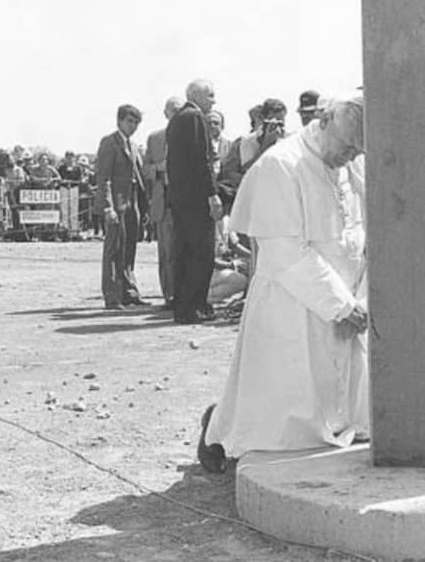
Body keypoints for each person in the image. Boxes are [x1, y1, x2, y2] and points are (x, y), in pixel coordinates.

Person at [198, 93, 369, 472]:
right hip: (294, 299)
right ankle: (217, 430)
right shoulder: (280, 165)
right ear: (324, 122)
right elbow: (284, 251)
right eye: (347, 147)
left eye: (358, 150)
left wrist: (358, 299)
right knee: (281, 416)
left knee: (335, 405)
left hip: (346, 297)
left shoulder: (350, 163)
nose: (351, 156)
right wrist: (340, 305)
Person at [167, 79, 223, 324]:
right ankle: (194, 306)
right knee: (202, 253)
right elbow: (201, 160)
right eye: (210, 95)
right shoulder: (195, 117)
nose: (213, 101)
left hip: (180, 198)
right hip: (196, 199)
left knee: (185, 252)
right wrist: (212, 194)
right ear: (197, 96)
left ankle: (183, 305)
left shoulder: (177, 119)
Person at [96, 104, 149, 310]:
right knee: (114, 249)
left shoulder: (133, 146)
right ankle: (112, 295)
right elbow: (104, 178)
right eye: (129, 121)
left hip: (132, 202)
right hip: (117, 203)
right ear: (119, 121)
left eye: (136, 122)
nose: (133, 126)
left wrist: (143, 207)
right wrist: (108, 206)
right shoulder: (110, 143)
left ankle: (129, 292)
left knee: (129, 248)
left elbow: (139, 178)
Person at [144, 96, 184, 309]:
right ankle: (169, 295)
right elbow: (145, 170)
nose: (175, 114)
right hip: (164, 202)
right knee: (167, 252)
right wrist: (160, 167)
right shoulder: (155, 138)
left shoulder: (191, 136)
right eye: (172, 110)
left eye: (179, 110)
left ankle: (184, 294)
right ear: (165, 113)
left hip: (186, 202)